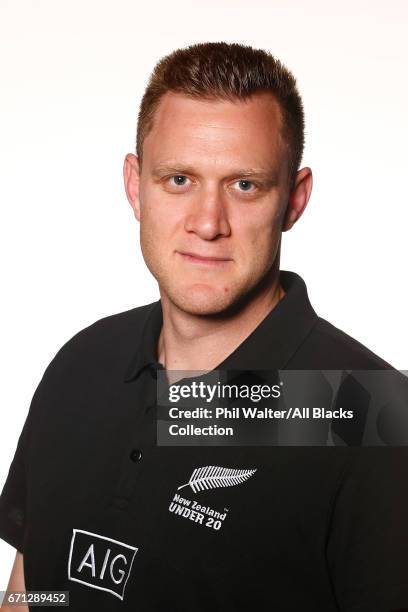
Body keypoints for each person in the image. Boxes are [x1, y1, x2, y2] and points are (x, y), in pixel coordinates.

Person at [1, 41, 407, 611]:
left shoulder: (372, 417)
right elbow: (33, 591)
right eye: (179, 180)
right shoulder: (81, 362)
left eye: (245, 185)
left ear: (294, 199)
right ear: (134, 185)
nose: (208, 223)